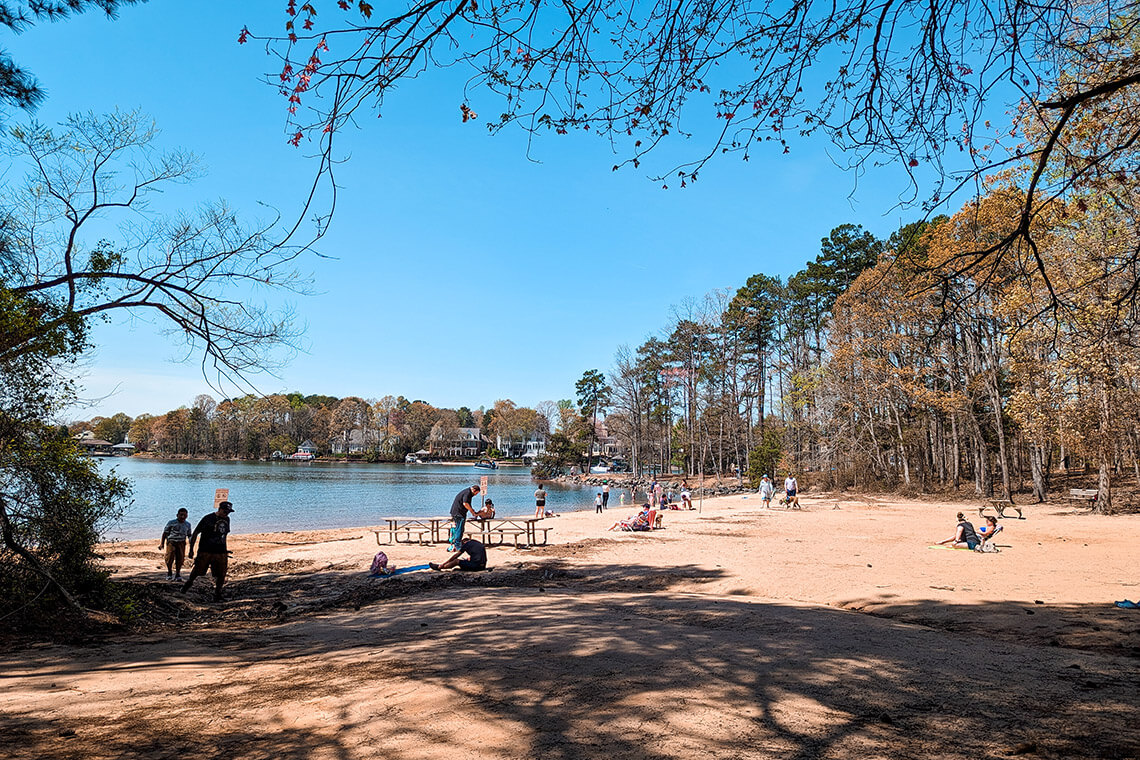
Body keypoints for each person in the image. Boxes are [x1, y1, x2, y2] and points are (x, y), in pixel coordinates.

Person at [180, 500, 234, 601]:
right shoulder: (208, 518)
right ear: (219, 509)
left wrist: (224, 549)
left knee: (221, 574)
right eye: (225, 511)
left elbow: (224, 534)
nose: (226, 514)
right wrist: (191, 549)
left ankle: (217, 595)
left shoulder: (227, 520)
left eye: (228, 512)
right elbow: (196, 532)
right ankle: (186, 586)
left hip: (221, 551)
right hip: (206, 550)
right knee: (197, 571)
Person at [159, 508, 192, 581]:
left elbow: (189, 535)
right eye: (181, 515)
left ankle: (178, 574)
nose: (183, 517)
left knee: (180, 558)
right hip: (172, 542)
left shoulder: (188, 524)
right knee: (169, 558)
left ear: (187, 515)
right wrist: (162, 543)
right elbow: (165, 533)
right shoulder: (171, 522)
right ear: (177, 515)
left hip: (182, 543)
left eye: (185, 515)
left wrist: (191, 543)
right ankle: (169, 572)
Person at [448, 484, 483, 551]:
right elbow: (465, 504)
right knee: (459, 529)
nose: (475, 495)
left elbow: (467, 504)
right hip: (458, 513)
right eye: (476, 493)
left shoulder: (468, 493)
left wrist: (472, 512)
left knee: (459, 529)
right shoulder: (467, 493)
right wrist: (471, 510)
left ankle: (456, 544)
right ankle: (457, 545)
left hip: (458, 512)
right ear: (474, 490)